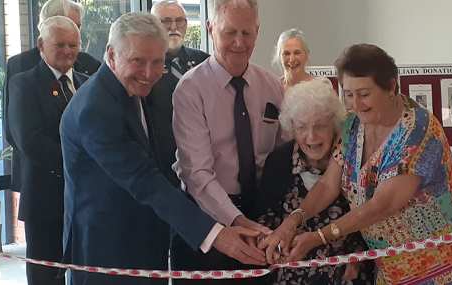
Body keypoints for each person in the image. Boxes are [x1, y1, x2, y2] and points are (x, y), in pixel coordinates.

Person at [59, 12, 266, 285]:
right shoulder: (96, 108)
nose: (149, 72)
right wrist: (215, 234)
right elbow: (145, 180)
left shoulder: (139, 89)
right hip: (107, 253)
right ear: (110, 54)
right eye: (138, 60)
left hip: (146, 243)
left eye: (157, 62)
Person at [259, 44, 452, 285]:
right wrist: (293, 221)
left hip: (443, 258)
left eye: (364, 94)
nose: (356, 104)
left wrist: (317, 237)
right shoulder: (351, 124)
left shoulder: (418, 132)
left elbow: (381, 205)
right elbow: (329, 185)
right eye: (348, 94)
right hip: (392, 263)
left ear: (391, 87)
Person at [170, 0, 285, 283]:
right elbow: (197, 174)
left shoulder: (272, 85)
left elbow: (285, 154)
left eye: (246, 33)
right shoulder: (190, 89)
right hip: (208, 218)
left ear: (257, 32)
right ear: (210, 29)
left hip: (261, 216)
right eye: (229, 32)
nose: (238, 42)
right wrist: (238, 221)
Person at [249, 79, 374, 285]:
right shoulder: (280, 161)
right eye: (301, 127)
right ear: (292, 128)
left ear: (334, 124)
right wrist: (272, 245)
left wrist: (358, 257)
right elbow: (263, 220)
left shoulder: (352, 156)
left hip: (346, 275)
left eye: (319, 125)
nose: (311, 136)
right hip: (291, 277)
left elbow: (370, 216)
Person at [6, 16, 88, 285]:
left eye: (73, 45)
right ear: (41, 45)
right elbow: (29, 141)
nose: (67, 51)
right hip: (46, 199)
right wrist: (80, 166)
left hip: (88, 200)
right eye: (60, 44)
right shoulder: (24, 83)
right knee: (45, 277)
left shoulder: (90, 83)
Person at [3, 0, 101, 193]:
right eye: (60, 42)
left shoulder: (90, 67)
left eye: (77, 29)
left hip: (87, 185)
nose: (68, 49)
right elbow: (21, 134)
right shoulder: (22, 70)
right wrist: (76, 162)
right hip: (42, 180)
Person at [147, 0, 210, 187]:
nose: (174, 26)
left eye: (180, 21)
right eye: (166, 21)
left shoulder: (203, 62)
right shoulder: (145, 65)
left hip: (201, 159)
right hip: (160, 161)